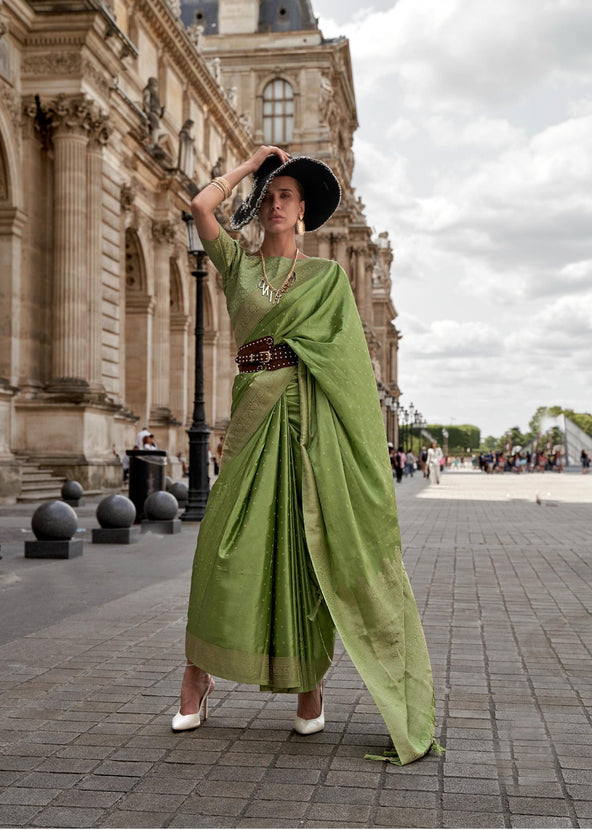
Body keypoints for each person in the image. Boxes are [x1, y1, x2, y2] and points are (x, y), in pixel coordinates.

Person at [173, 145, 439, 766]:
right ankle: (198, 677)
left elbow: (346, 368)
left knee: (305, 553)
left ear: (303, 213)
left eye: (285, 196)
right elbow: (200, 204)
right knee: (222, 547)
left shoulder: (327, 280)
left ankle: (309, 691)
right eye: (268, 195)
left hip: (310, 426)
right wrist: (250, 165)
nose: (274, 203)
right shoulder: (236, 265)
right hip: (252, 421)